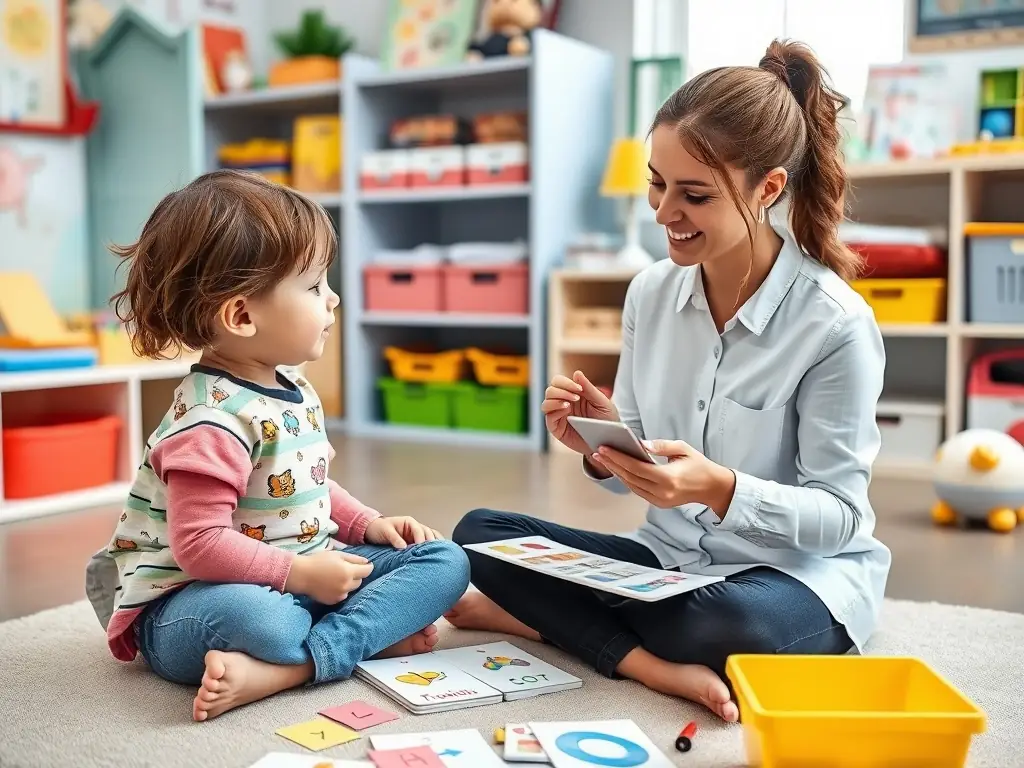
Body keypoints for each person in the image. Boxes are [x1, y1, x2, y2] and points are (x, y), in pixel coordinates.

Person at [447, 39, 891, 722]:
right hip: (666, 565)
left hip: (790, 581)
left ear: (767, 189)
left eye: (694, 195)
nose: (662, 212)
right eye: (658, 182)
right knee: (480, 534)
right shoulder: (651, 294)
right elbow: (642, 466)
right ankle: (647, 663)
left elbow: (840, 518)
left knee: (725, 628)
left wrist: (719, 488)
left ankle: (552, 622)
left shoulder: (835, 326)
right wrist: (600, 447)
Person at [85, 170, 470, 722]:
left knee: (444, 561)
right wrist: (301, 577)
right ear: (241, 315)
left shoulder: (290, 386)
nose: (332, 299)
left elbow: (305, 481)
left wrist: (366, 525)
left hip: (299, 575)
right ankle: (347, 643)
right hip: (191, 602)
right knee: (269, 622)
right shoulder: (210, 422)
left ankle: (298, 663)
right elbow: (199, 544)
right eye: (313, 287)